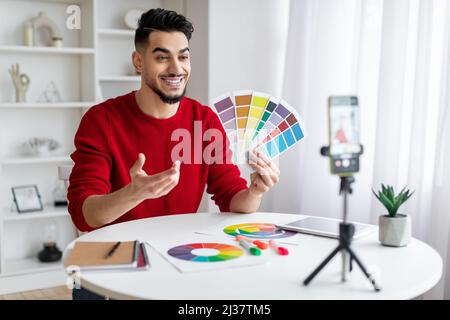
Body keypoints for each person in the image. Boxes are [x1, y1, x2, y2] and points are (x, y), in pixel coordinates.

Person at [68, 8, 280, 299]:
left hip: (175, 255)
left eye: (183, 56)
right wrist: (134, 193)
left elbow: (232, 198)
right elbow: (84, 216)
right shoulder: (101, 120)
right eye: (162, 56)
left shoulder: (204, 120)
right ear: (138, 62)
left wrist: (255, 191)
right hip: (109, 260)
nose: (176, 68)